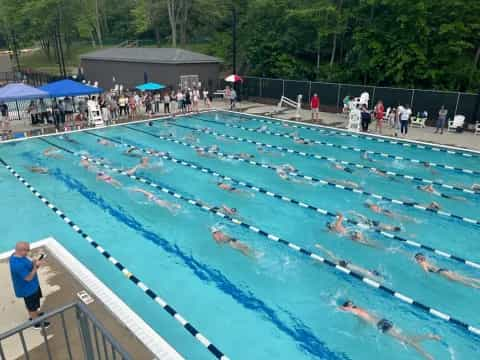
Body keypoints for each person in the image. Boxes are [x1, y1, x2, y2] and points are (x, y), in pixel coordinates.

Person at [340, 300, 439, 360]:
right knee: (407, 338)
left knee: (408, 341)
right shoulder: (361, 309)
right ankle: (428, 350)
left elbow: (346, 309)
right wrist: (357, 330)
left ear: (348, 306)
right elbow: (363, 322)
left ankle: (429, 341)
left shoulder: (355, 310)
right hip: (384, 321)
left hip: (382, 326)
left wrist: (340, 306)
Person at [9, 242, 50, 329]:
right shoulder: (17, 265)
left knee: (33, 305)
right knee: (31, 306)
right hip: (27, 290)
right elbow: (28, 278)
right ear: (20, 251)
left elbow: (28, 264)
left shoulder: (16, 255)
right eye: (27, 250)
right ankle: (36, 322)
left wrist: (34, 262)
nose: (28, 251)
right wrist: (36, 266)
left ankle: (35, 314)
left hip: (32, 286)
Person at [315, 244, 382, 281]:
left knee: (367, 273)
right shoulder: (339, 262)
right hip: (354, 268)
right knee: (367, 273)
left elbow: (329, 254)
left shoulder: (337, 262)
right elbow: (330, 254)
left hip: (353, 268)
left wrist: (321, 247)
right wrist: (321, 247)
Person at [414, 253, 480, 289]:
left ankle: (476, 287)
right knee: (464, 278)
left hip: (442, 272)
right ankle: (478, 281)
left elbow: (426, 272)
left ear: (418, 259)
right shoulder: (427, 261)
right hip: (445, 270)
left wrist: (427, 278)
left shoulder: (422, 263)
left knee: (461, 281)